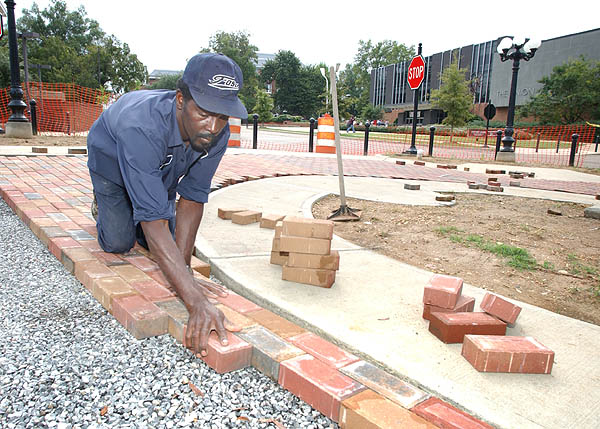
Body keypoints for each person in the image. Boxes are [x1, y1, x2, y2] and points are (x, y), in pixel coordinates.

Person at [86, 53, 247, 357]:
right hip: (112, 165)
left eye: (222, 116)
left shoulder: (217, 132)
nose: (213, 127)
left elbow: (192, 197)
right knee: (120, 241)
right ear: (179, 100)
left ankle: (145, 196)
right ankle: (106, 204)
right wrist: (196, 303)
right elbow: (155, 223)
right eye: (204, 113)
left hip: (158, 166)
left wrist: (184, 273)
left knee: (165, 246)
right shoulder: (141, 127)